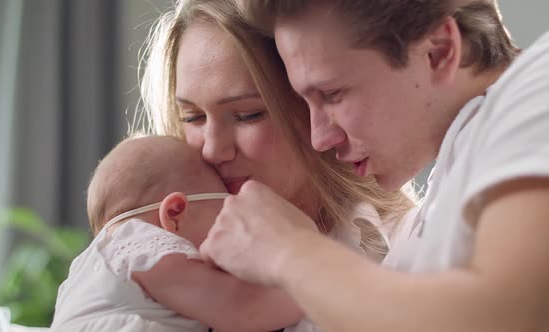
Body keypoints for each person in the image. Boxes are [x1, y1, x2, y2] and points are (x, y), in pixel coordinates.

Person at [197, 0, 549, 331]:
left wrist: (286, 249)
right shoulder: (425, 220)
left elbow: (510, 317)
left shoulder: (538, 85)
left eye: (333, 94)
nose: (320, 137)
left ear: (438, 52)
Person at [50, 135, 305, 331]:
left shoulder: (85, 273)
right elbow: (243, 307)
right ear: (174, 214)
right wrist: (311, 280)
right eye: (227, 207)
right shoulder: (141, 246)